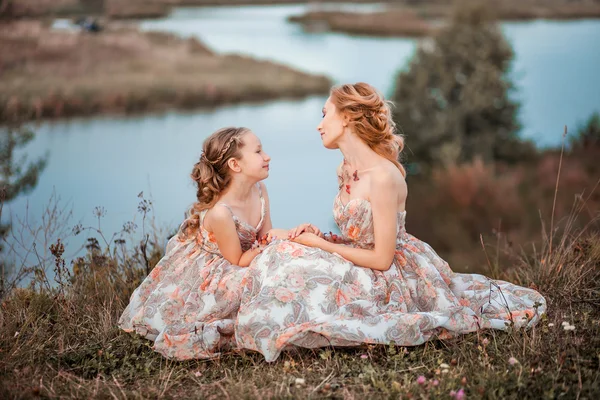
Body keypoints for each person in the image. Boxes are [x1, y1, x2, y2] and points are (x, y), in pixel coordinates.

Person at [235, 83, 547, 362]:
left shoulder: (383, 177)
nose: (319, 125)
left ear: (346, 117)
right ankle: (263, 323)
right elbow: (358, 234)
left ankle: (281, 329)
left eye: (324, 114)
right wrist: (320, 236)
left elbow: (382, 259)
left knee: (298, 264)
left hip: (390, 271)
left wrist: (321, 245)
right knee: (285, 250)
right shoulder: (345, 169)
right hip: (359, 258)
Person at [119, 127, 273, 360]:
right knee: (253, 282)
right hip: (220, 266)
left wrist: (277, 242)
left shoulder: (260, 190)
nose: (267, 156)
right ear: (235, 165)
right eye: (259, 151)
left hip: (248, 255)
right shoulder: (221, 212)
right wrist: (268, 247)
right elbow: (237, 260)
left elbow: (265, 235)